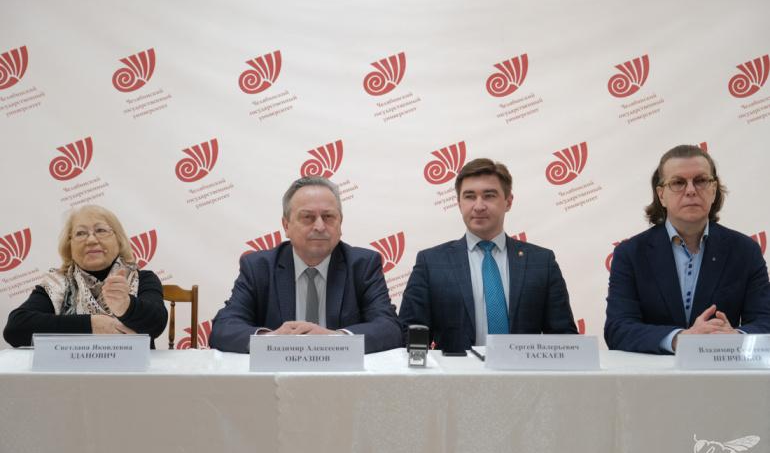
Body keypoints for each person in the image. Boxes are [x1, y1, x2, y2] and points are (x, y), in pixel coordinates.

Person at [604, 144, 770, 354]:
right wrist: (680, 339)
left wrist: (735, 338)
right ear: (661, 195)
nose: (691, 190)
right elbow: (618, 329)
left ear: (713, 190)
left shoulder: (745, 251)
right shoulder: (630, 254)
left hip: (722, 371)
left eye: (701, 181)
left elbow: (765, 322)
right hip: (654, 374)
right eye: (678, 183)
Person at [399, 158, 577, 351]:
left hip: (523, 371)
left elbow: (564, 340)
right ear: (459, 203)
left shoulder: (542, 262)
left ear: (508, 202)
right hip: (455, 371)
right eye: (469, 196)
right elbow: (409, 338)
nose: (478, 206)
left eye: (489, 195)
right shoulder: (431, 263)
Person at [210, 177, 403, 354]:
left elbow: (390, 329)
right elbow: (223, 328)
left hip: (343, 377)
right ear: (286, 226)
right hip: (277, 375)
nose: (320, 226)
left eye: (328, 217)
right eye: (308, 217)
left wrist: (335, 339)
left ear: (340, 223)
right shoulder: (259, 267)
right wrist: (270, 340)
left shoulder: (362, 265)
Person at [3, 205, 167, 348]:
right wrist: (91, 325)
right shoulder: (57, 284)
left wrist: (126, 305)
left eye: (101, 230)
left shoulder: (142, 278)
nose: (91, 240)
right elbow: (15, 329)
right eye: (81, 233)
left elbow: (156, 325)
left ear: (119, 240)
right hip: (72, 373)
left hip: (133, 372)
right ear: (70, 245)